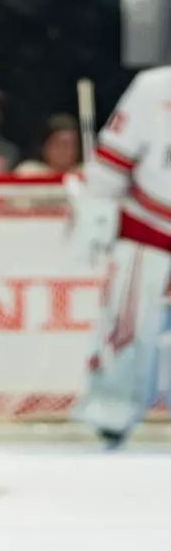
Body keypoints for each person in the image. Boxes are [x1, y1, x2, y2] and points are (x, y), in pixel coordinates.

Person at [65, 69, 171, 449]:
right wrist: (95, 208)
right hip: (150, 225)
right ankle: (111, 410)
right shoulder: (156, 87)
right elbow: (112, 158)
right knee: (128, 324)